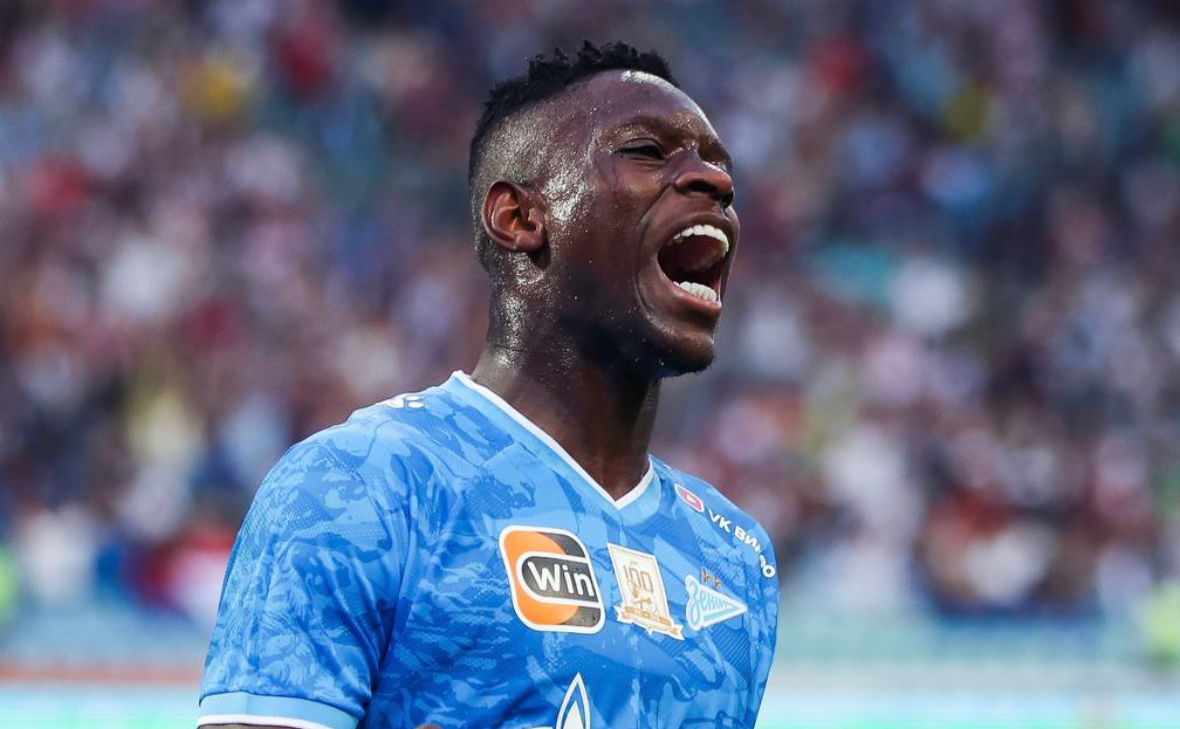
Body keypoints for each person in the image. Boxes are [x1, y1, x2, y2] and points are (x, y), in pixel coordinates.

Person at [197, 40, 778, 729]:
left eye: (718, 165)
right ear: (519, 218)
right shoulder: (360, 484)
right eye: (648, 152)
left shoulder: (734, 559)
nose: (713, 181)